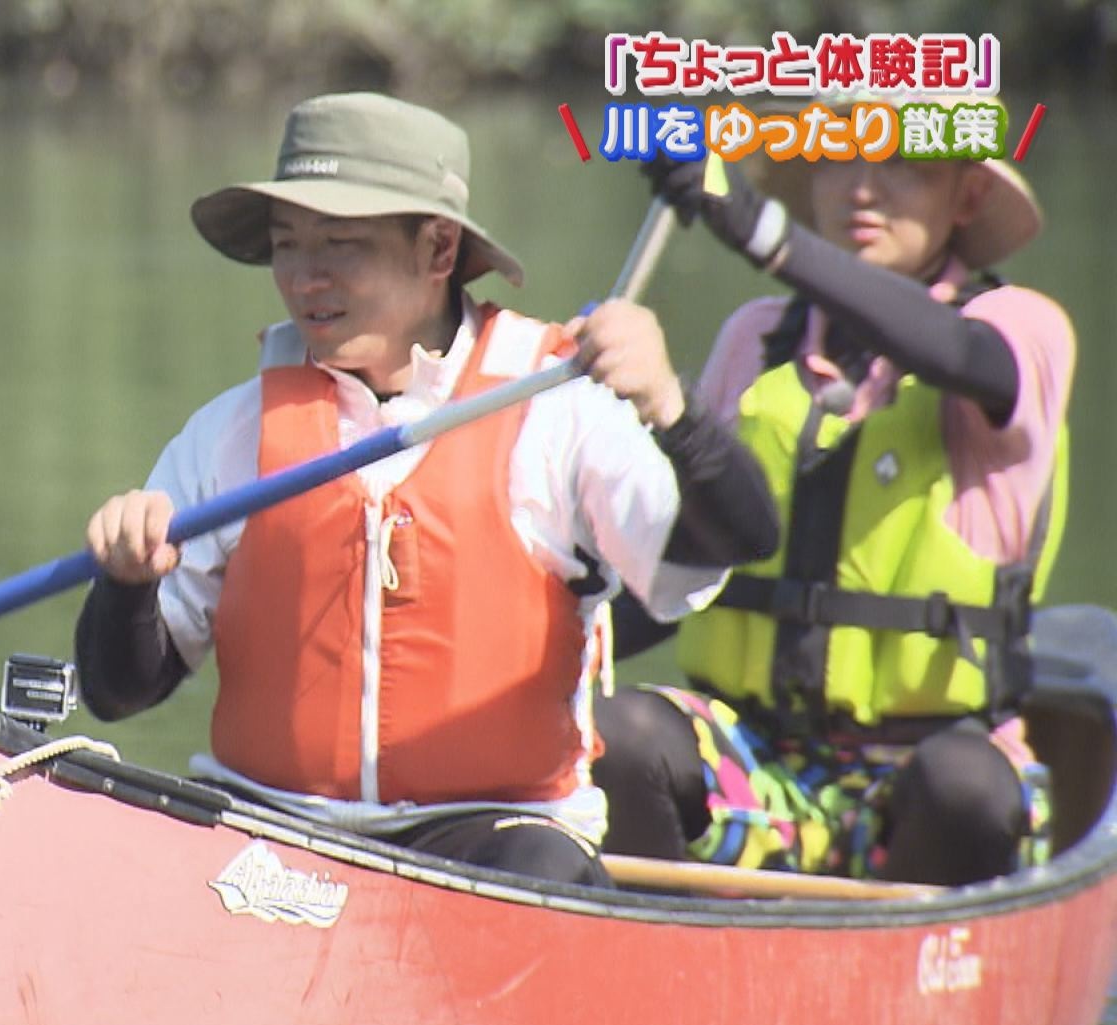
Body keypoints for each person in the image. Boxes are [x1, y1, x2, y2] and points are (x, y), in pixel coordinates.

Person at [70, 91, 778, 888]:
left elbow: (742, 539)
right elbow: (117, 693)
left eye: (341, 243)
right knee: (134, 840)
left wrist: (672, 411)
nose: (308, 277)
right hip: (267, 826)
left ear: (439, 250)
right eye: (288, 245)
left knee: (542, 865)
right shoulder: (231, 433)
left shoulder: (557, 402)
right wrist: (126, 585)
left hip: (492, 839)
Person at [594, 94, 1076, 887]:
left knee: (965, 785)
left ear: (967, 195)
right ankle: (660, 953)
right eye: (838, 159)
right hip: (761, 762)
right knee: (619, 732)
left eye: (903, 167)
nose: (862, 188)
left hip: (929, 766)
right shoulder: (756, 337)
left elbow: (954, 349)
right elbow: (680, 570)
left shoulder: (1021, 327)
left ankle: (912, 987)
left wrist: (756, 228)